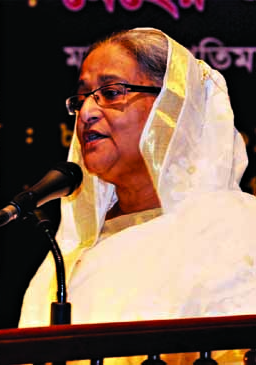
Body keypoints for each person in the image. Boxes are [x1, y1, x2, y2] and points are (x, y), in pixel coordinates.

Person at [20, 27, 256, 354]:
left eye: (112, 92)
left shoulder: (233, 229)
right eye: (82, 97)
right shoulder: (70, 253)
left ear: (172, 109)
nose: (86, 113)